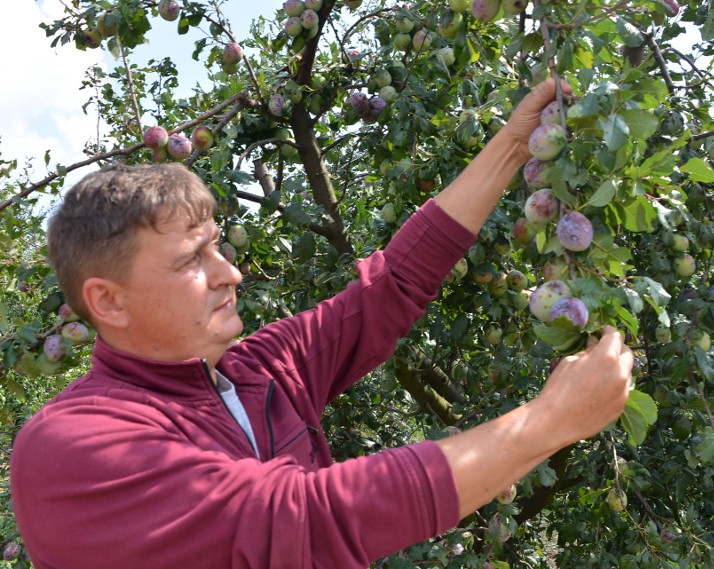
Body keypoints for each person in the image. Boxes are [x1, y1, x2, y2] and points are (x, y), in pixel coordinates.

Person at [9, 78, 633, 569]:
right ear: (108, 302)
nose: (231, 273)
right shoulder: (72, 448)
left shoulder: (259, 372)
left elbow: (388, 288)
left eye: (217, 244)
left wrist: (515, 146)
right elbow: (299, 521)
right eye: (191, 260)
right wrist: (544, 424)